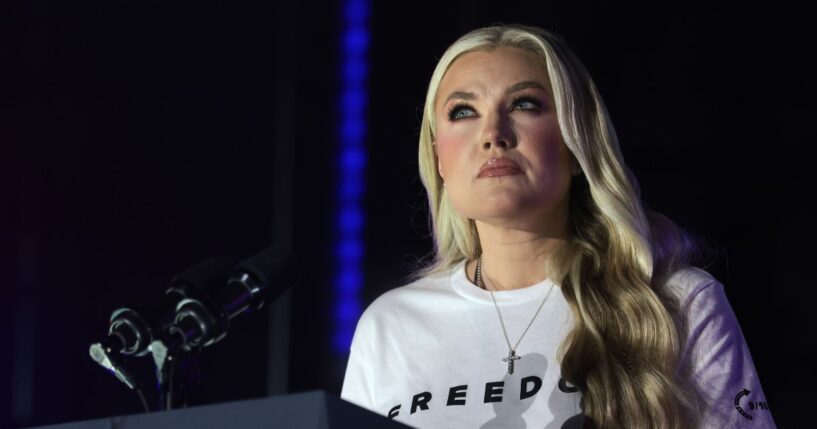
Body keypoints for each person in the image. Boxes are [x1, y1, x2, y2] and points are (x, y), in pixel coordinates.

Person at [340, 24, 776, 428]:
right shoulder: (390, 326)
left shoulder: (676, 304)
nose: (494, 134)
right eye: (463, 112)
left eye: (524, 104)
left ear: (575, 140)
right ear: (439, 158)